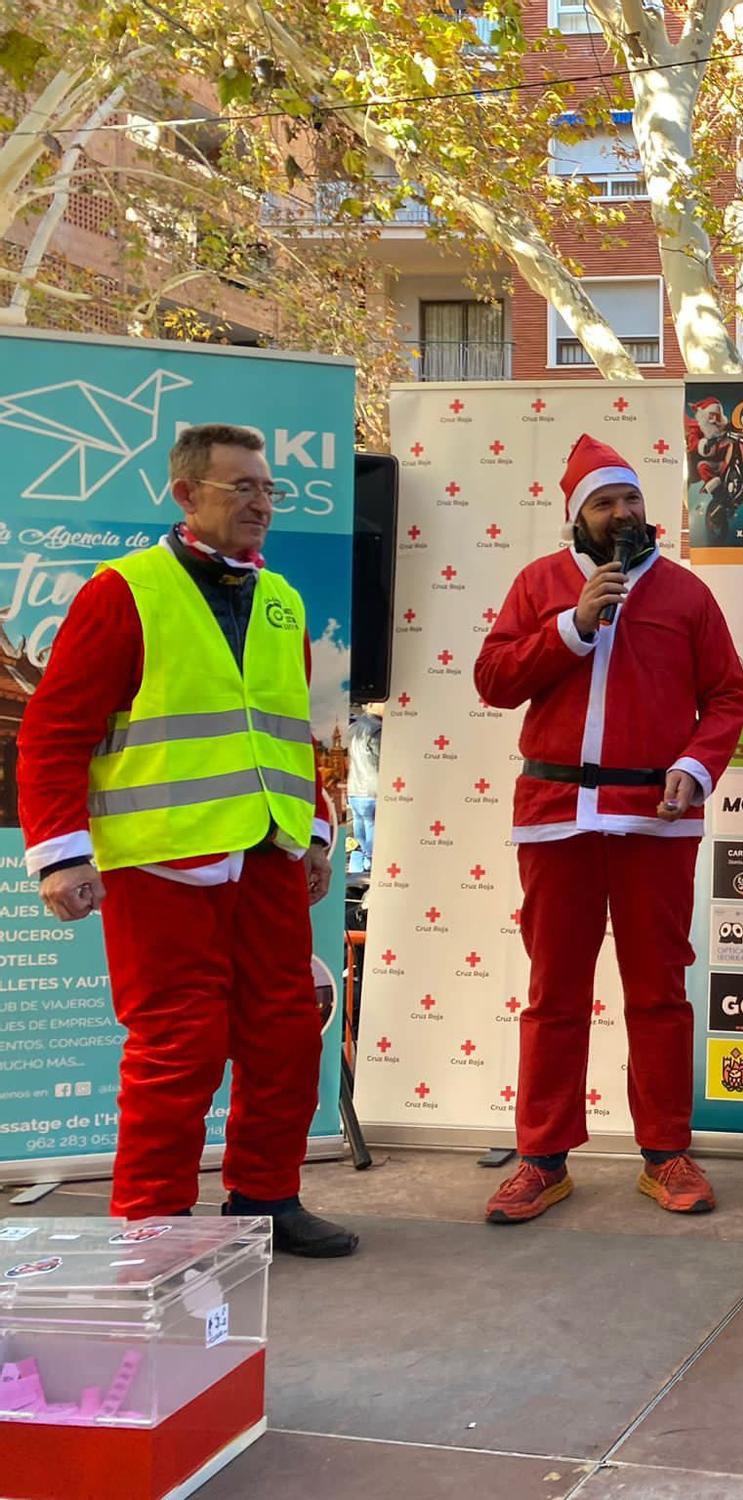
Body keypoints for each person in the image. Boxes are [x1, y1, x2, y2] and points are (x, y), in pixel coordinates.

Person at [18, 424, 354, 1254]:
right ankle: (153, 1226)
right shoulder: (123, 592)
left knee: (282, 1033)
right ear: (186, 495)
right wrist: (60, 854)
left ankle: (265, 1200)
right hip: (161, 863)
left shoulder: (281, 600)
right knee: (179, 1046)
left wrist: (313, 833)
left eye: (268, 489)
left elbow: (293, 730)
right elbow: (54, 731)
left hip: (268, 857)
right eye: (241, 487)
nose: (261, 503)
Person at [475, 434, 743, 1225]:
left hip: (654, 824)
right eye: (605, 502)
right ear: (578, 517)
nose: (623, 513)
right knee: (552, 994)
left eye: (631, 499)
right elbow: (494, 681)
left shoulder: (686, 595)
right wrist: (571, 626)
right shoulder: (540, 585)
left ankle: (666, 1152)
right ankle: (542, 1158)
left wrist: (695, 768)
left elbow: (729, 697)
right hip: (556, 819)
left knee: (659, 992)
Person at [346, 704, 381, 877]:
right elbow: (381, 759)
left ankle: (359, 862)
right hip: (371, 788)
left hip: (354, 787)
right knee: (371, 825)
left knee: (359, 824)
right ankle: (370, 862)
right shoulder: (377, 729)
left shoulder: (353, 727)